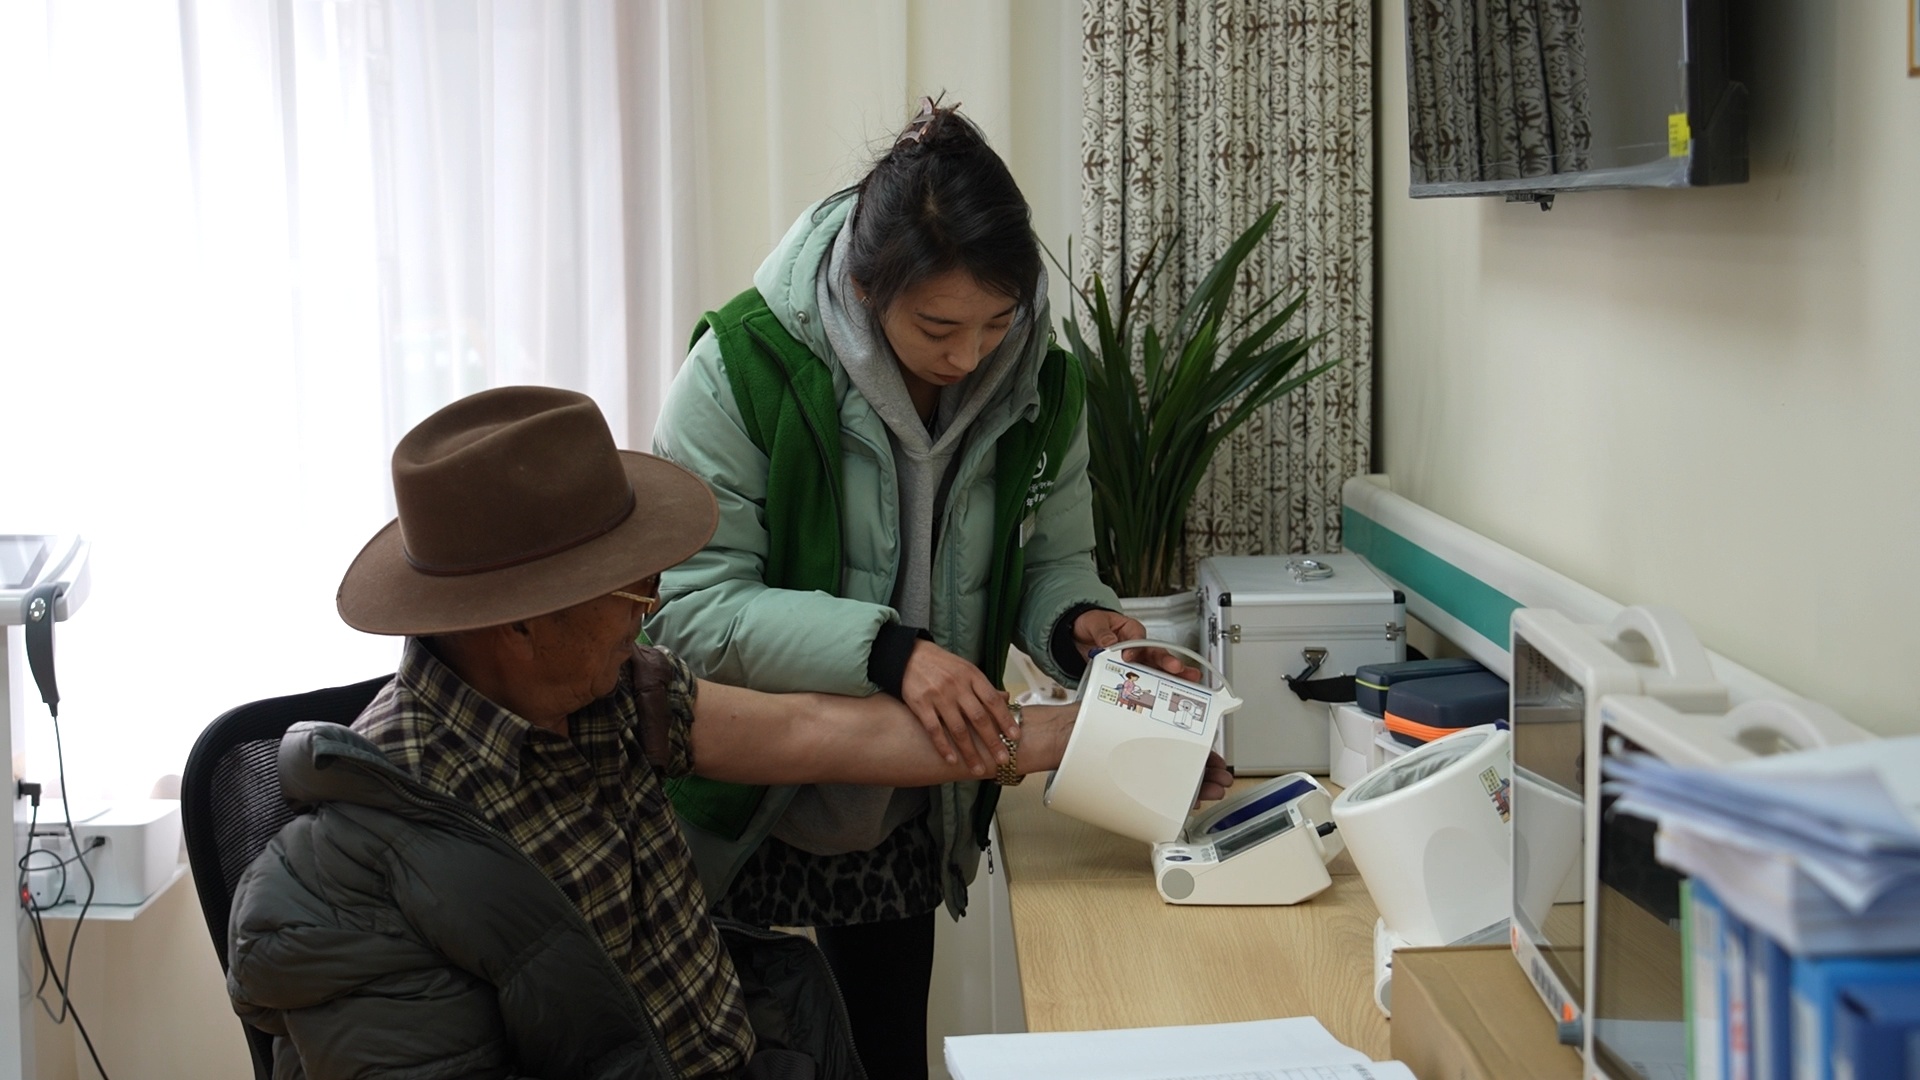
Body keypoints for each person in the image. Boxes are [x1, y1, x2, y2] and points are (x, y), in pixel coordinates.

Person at [222, 386, 1176, 1080]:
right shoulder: (349, 885)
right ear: (518, 623)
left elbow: (813, 732)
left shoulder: (606, 694)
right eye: (634, 593)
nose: (652, 615)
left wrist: (1074, 731)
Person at [648, 99, 1197, 1077]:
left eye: (998, 321)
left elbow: (1050, 560)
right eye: (938, 327)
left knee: (887, 1053)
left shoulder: (1043, 386)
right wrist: (890, 651)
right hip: (740, 807)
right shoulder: (740, 367)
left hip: (905, 802)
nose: (969, 357)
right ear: (865, 287)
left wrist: (1079, 625)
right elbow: (689, 612)